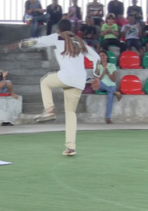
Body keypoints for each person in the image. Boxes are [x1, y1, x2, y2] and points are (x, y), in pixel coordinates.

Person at [17, 19, 100, 156]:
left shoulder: (57, 37)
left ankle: (49, 110)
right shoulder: (80, 41)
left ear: (59, 29)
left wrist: (22, 44)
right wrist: (96, 76)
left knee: (45, 82)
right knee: (71, 113)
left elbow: (38, 41)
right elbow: (96, 57)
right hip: (80, 80)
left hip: (67, 76)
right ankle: (70, 147)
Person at [95, 50, 122, 124]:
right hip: (101, 85)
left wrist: (108, 73)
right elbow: (98, 79)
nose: (102, 57)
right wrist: (103, 72)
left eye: (104, 55)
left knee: (110, 96)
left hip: (111, 85)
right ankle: (115, 92)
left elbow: (114, 79)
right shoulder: (97, 66)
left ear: (107, 57)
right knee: (95, 81)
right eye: (100, 56)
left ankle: (108, 118)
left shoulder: (112, 65)